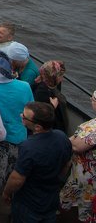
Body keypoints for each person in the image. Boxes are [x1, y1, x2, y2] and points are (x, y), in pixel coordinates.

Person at [2, 101, 72, 222]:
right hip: (51, 199)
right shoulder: (62, 137)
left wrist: (6, 193)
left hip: (28, 204)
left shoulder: (28, 147)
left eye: (24, 116)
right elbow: (67, 164)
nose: (20, 116)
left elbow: (17, 179)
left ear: (38, 127)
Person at [0, 50, 34, 223]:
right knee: (15, 176)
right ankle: (9, 209)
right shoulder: (25, 87)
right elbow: (30, 109)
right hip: (20, 140)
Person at [60, 89, 96, 222]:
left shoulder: (94, 128)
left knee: (71, 201)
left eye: (92, 99)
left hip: (85, 176)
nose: (90, 101)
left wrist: (68, 140)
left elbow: (77, 146)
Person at [32, 61, 69, 134]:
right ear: (53, 78)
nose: (62, 79)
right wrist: (52, 107)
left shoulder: (52, 84)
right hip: (51, 129)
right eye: (61, 76)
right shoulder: (42, 92)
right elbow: (39, 115)